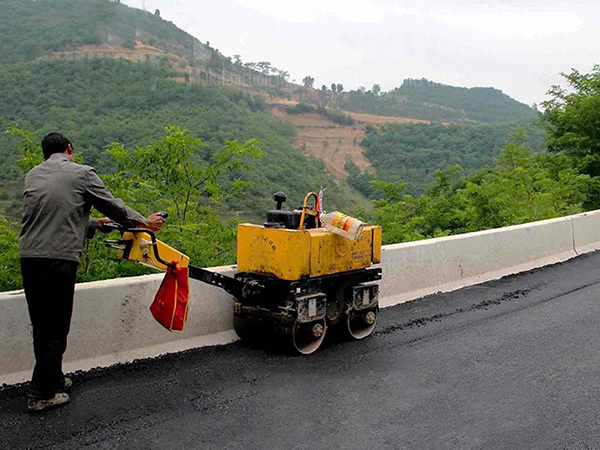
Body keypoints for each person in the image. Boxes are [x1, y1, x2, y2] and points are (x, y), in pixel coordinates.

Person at [20, 133, 165, 412]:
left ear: (44, 154)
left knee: (42, 324)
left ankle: (54, 379)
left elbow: (55, 214)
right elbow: (112, 205)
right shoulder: (82, 174)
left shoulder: (33, 176)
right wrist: (143, 222)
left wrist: (96, 224)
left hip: (30, 257)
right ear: (70, 149)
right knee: (56, 327)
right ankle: (41, 393)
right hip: (58, 260)